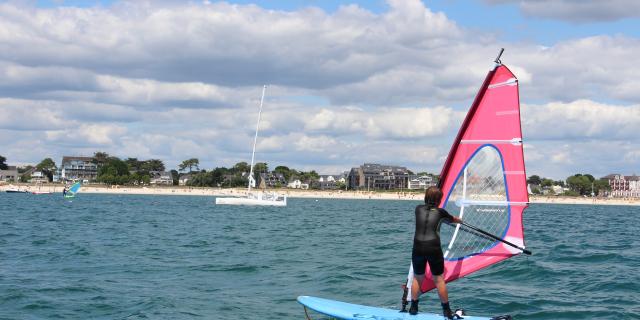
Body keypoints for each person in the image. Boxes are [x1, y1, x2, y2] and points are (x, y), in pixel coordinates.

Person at [409, 186, 462, 318]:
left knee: (418, 277)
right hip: (433, 247)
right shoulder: (441, 212)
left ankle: (413, 308)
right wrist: (459, 220)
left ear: (426, 197)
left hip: (418, 247)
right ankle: (446, 311)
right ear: (439, 199)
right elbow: (453, 219)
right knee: (438, 279)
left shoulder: (418, 209)